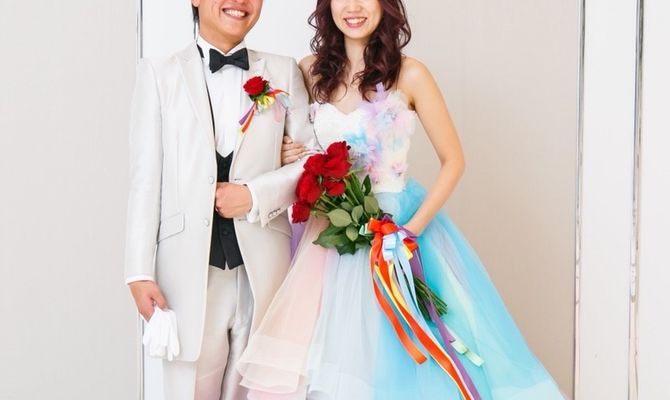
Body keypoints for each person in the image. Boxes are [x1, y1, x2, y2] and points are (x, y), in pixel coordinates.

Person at [236, 0, 566, 399]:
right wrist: (289, 151)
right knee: (322, 361)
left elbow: (454, 161)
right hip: (328, 233)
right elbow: (300, 144)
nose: (353, 8)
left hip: (396, 227)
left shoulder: (411, 74)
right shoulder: (310, 70)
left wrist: (408, 232)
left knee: (402, 356)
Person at [124, 0, 314, 398]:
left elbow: (311, 161)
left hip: (264, 266)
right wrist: (138, 272)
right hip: (187, 272)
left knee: (260, 389)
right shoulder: (159, 74)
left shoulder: (284, 71)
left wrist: (254, 195)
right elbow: (145, 179)